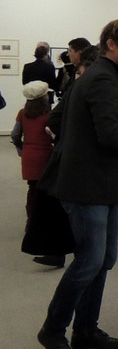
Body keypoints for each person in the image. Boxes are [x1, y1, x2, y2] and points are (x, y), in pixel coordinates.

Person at [37, 18, 118, 349]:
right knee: (88, 262)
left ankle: (85, 328)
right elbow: (110, 134)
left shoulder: (105, 76)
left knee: (104, 260)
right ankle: (53, 331)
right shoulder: (102, 79)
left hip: (103, 185)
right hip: (88, 187)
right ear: (111, 44)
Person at [11, 81, 57, 266]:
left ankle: (30, 223)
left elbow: (15, 135)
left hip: (29, 155)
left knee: (32, 189)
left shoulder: (22, 113)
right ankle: (43, 225)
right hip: (46, 155)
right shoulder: (49, 114)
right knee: (46, 192)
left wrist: (22, 148)